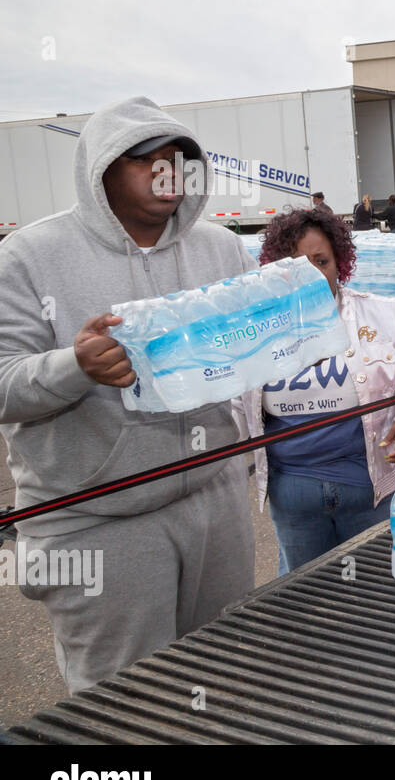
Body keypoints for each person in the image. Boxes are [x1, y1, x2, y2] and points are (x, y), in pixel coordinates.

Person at [0, 96, 256, 692]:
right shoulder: (28, 258)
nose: (170, 174)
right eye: (147, 160)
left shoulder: (221, 250)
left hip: (215, 503)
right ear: (102, 170)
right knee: (125, 705)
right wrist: (74, 367)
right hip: (98, 521)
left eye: (180, 160)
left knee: (222, 682)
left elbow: (251, 354)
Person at [237, 207, 395, 573]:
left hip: (372, 491)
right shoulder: (253, 330)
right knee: (303, 598)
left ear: (340, 264)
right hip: (294, 498)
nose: (311, 276)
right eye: (295, 265)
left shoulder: (385, 315)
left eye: (321, 261)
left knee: (376, 592)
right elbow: (234, 408)